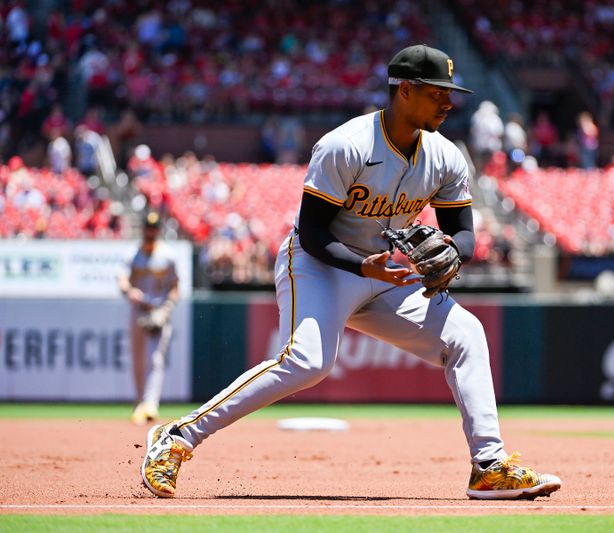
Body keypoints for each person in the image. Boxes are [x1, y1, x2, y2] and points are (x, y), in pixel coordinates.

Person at [140, 44, 562, 500]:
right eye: (437, 92)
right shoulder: (346, 145)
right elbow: (314, 233)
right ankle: (177, 437)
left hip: (382, 274)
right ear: (404, 90)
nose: (448, 102)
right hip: (318, 264)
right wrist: (362, 266)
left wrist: (453, 255)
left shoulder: (445, 156)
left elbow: (463, 233)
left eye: (449, 93)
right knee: (307, 363)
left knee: (466, 334)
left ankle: (489, 466)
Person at [119, 212, 179, 425]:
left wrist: (167, 308)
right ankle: (139, 402)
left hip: (159, 310)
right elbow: (122, 279)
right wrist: (129, 290)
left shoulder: (168, 256)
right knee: (137, 358)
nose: (151, 231)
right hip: (138, 310)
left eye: (154, 228)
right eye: (148, 227)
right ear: (143, 229)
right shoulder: (132, 254)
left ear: (158, 231)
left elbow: (175, 286)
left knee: (155, 359)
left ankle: (150, 404)